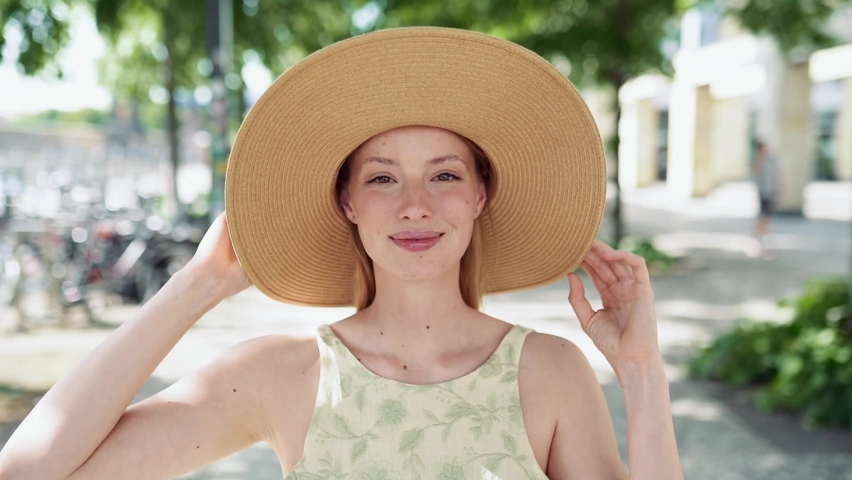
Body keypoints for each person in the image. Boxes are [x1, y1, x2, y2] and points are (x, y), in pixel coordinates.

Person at [0, 28, 683, 479]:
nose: (415, 204)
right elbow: (28, 471)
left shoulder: (551, 372)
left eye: (444, 175)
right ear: (348, 202)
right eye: (382, 178)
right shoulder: (280, 375)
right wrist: (198, 285)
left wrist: (642, 373)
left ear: (481, 195)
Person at [751, 140, 783, 259]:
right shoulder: (759, 160)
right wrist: (760, 159)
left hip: (771, 191)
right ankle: (760, 241)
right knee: (763, 217)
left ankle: (764, 241)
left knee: (767, 217)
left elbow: (778, 174)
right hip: (763, 192)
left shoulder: (772, 160)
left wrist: (780, 189)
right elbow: (756, 171)